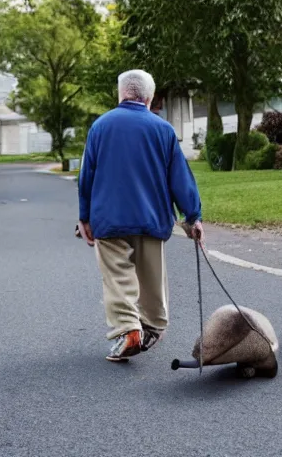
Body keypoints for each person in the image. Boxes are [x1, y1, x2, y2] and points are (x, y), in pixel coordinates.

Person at [76, 69, 204, 362]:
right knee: (151, 276)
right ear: (149, 98)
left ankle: (128, 328)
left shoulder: (100, 127)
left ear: (121, 94)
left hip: (108, 218)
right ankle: (153, 327)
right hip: (151, 218)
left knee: (118, 275)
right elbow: (180, 179)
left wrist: (85, 217)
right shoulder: (163, 130)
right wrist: (193, 217)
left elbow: (87, 176)